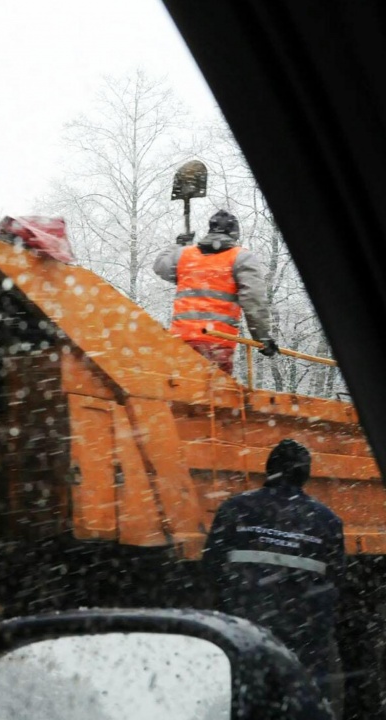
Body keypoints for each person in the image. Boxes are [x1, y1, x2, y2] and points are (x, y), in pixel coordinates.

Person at [202, 439, 345, 716]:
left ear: (268, 471)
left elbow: (211, 568)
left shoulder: (234, 509)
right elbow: (337, 580)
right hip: (304, 641)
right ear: (306, 474)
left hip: (246, 633)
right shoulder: (328, 521)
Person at [153, 209, 278, 373]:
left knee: (181, 393)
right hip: (217, 345)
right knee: (214, 395)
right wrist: (262, 337)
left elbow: (160, 266)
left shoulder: (185, 254)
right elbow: (253, 301)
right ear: (235, 233)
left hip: (181, 342)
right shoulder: (241, 258)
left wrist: (178, 245)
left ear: (210, 230)